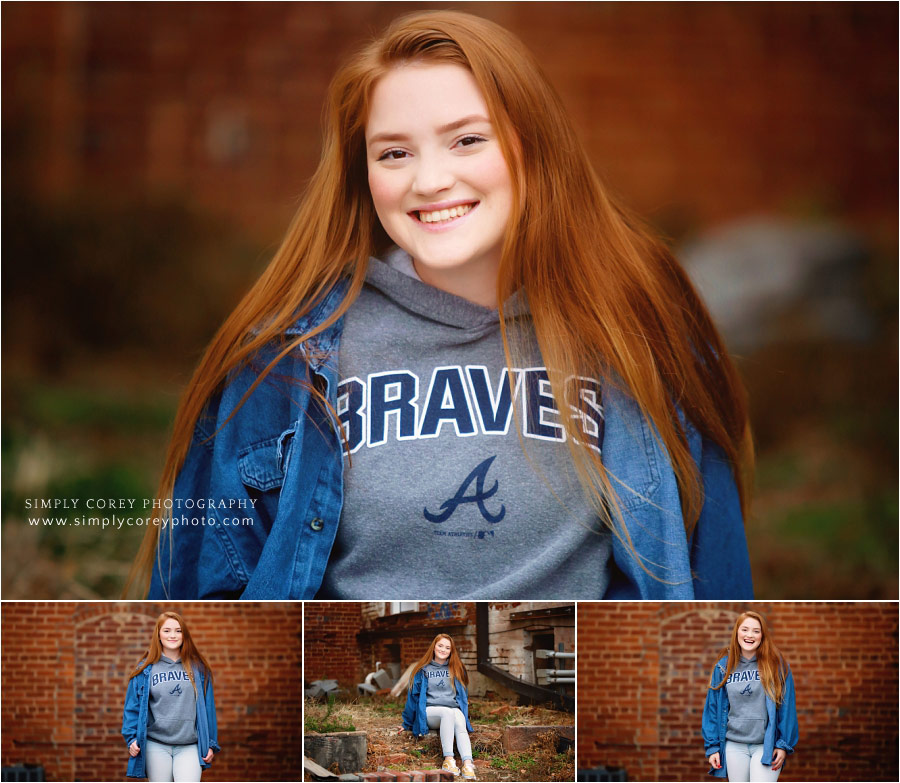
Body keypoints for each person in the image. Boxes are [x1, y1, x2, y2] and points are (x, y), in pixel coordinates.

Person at [128, 10, 754, 600]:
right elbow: (209, 598)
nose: (428, 181)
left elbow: (714, 581)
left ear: (531, 147)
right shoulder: (285, 361)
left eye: (466, 141)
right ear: (362, 172)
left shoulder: (635, 329)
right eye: (394, 153)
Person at [121, 612, 219, 782]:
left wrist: (210, 743)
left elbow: (208, 708)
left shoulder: (199, 669)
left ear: (184, 635)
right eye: (166, 631)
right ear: (158, 635)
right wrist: (131, 739)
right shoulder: (144, 670)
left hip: (190, 745)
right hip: (156, 744)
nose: (172, 635)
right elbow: (132, 708)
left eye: (178, 631)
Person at [702, 611, 798, 781]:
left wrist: (782, 744)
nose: (749, 635)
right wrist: (713, 747)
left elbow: (787, 707)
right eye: (745, 629)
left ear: (762, 636)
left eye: (756, 631)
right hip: (733, 745)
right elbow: (712, 709)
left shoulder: (776, 666)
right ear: (737, 632)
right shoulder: (723, 667)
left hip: (765, 746)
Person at [400, 634, 476, 780]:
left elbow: (463, 697)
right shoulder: (422, 670)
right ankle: (448, 760)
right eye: (440, 646)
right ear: (434, 647)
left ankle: (467, 763)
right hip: (430, 712)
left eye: (447, 647)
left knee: (460, 720)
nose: (443, 649)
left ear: (451, 651)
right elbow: (413, 697)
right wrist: (407, 723)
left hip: (452, 710)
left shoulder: (457, 668)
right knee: (447, 713)